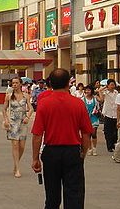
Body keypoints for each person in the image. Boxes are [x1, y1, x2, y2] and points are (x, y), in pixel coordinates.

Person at [31, 68, 93, 209]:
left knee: (52, 195)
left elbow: (37, 134)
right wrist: (83, 152)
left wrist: (35, 158)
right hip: (72, 152)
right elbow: (86, 133)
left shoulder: (44, 104)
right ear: (68, 83)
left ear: (50, 84)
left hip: (51, 152)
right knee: (74, 194)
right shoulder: (78, 104)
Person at [2, 76, 32, 177]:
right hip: (13, 122)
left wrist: (28, 116)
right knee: (15, 145)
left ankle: (16, 164)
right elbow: (4, 109)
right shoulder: (9, 96)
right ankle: (18, 168)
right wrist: (6, 119)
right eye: (13, 83)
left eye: (16, 83)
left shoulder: (26, 95)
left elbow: (31, 108)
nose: (14, 85)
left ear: (20, 84)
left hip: (23, 122)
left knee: (22, 146)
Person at [99, 79, 118, 153]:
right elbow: (100, 92)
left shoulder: (117, 93)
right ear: (108, 85)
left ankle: (113, 143)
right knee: (107, 131)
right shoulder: (105, 93)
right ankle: (109, 146)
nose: (113, 86)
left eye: (114, 84)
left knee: (115, 131)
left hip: (115, 114)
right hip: (108, 114)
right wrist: (105, 88)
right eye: (111, 84)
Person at [81, 85, 100, 156]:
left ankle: (94, 148)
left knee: (94, 133)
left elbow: (98, 107)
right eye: (86, 90)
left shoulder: (95, 99)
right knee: (88, 135)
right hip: (86, 119)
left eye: (89, 90)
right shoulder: (82, 99)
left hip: (94, 118)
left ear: (91, 91)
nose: (87, 91)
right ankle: (89, 148)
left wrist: (97, 111)